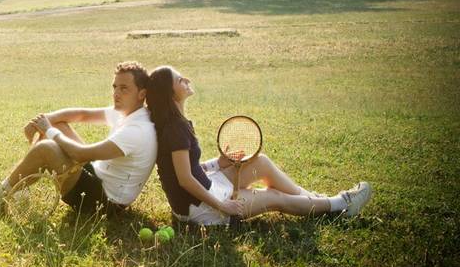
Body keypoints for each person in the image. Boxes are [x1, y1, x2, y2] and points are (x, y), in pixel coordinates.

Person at [145, 65, 373, 226]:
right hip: (200, 209)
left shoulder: (178, 123)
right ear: (170, 94)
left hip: (206, 189)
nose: (187, 80)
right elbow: (184, 179)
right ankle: (342, 203)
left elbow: (187, 168)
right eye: (180, 80)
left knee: (260, 162)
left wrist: (218, 162)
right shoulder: (175, 128)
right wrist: (223, 206)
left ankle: (316, 202)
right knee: (275, 197)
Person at [0, 61, 158, 217]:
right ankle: (18, 190)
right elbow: (80, 114)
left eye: (124, 88)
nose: (116, 93)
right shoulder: (127, 112)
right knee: (57, 124)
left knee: (47, 147)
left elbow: (80, 154)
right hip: (97, 178)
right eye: (115, 87)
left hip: (103, 203)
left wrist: (49, 130)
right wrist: (45, 121)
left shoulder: (137, 130)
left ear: (142, 94)